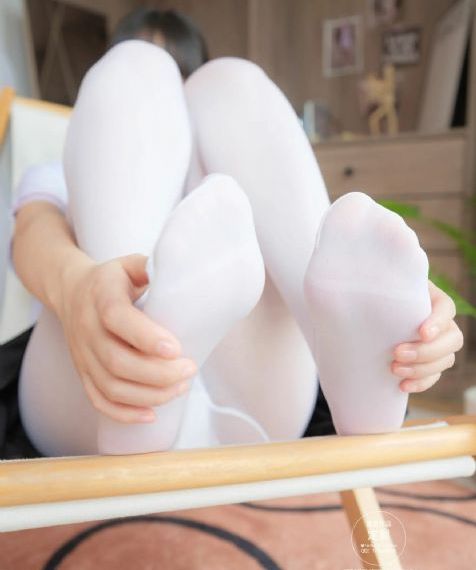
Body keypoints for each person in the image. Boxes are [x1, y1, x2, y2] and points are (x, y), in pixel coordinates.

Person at [10, 9, 463, 457]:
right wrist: (79, 289)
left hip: (256, 400)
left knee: (230, 84)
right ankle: (137, 356)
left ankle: (347, 357)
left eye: (178, 80)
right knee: (135, 68)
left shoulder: (240, 168)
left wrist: (410, 326)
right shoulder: (68, 173)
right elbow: (32, 238)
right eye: (159, 96)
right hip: (88, 402)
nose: (165, 108)